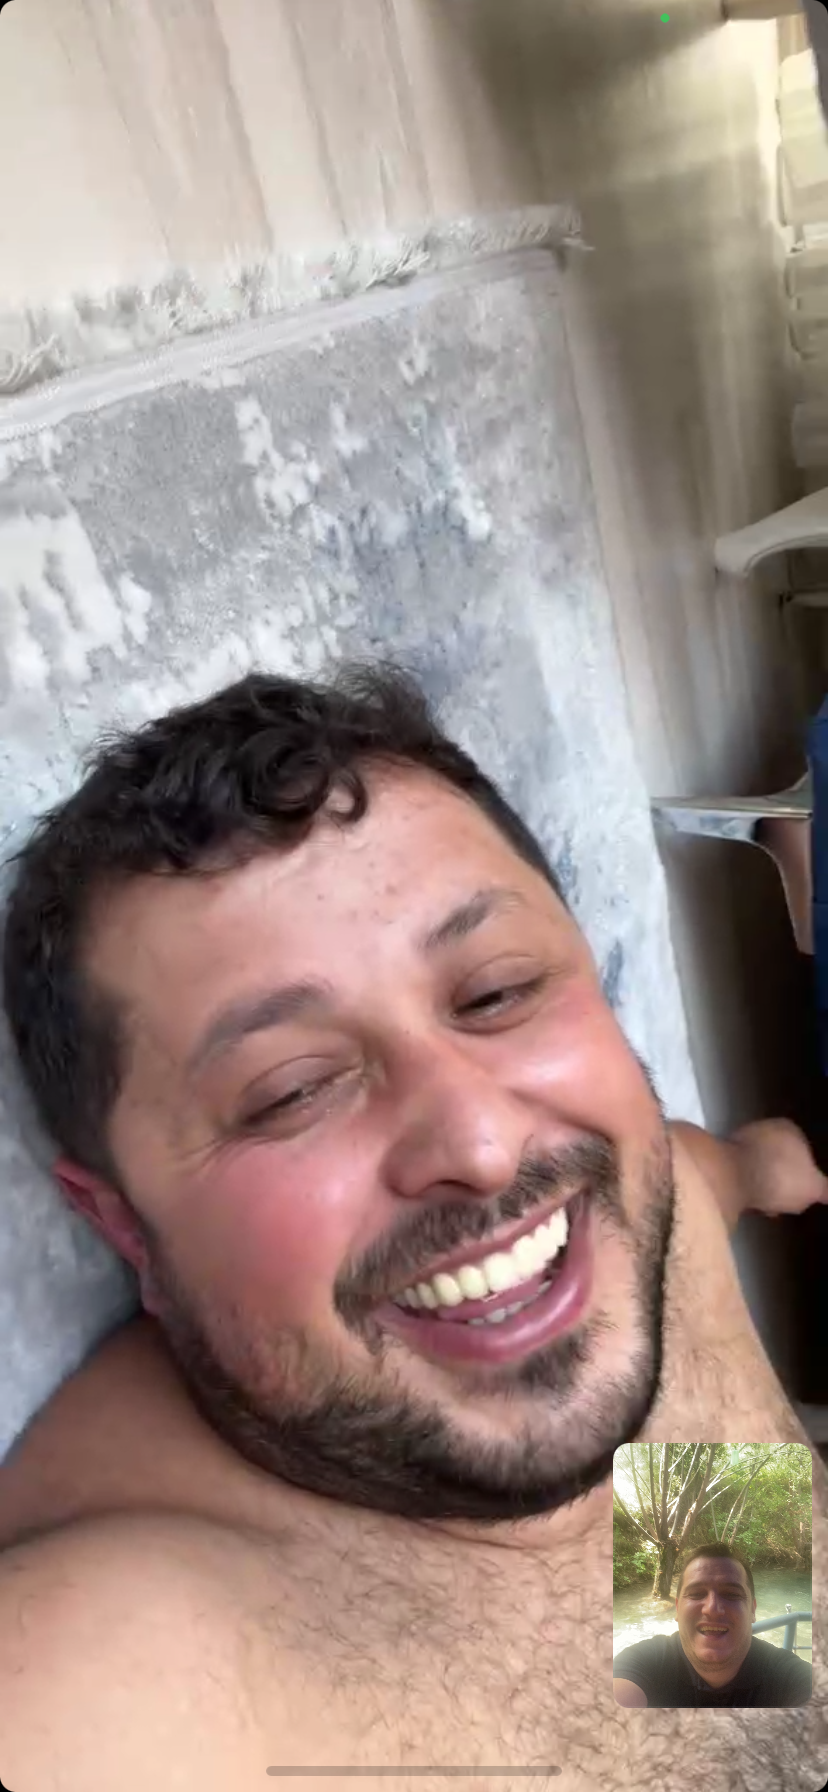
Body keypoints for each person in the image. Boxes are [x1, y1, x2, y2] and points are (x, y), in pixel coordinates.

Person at [0, 663, 826, 1792]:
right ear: (125, 1228)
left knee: (727, 1686)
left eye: (496, 993)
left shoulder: (632, 1227)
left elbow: (693, 1175)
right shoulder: (101, 1676)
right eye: (292, 1091)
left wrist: (766, 1165)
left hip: (714, 1659)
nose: (484, 1146)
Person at [612, 1539, 813, 1708]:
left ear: (752, 1610)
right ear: (677, 1608)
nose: (712, 1608)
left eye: (731, 1594)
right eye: (696, 1594)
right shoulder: (641, 1663)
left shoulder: (791, 1677)